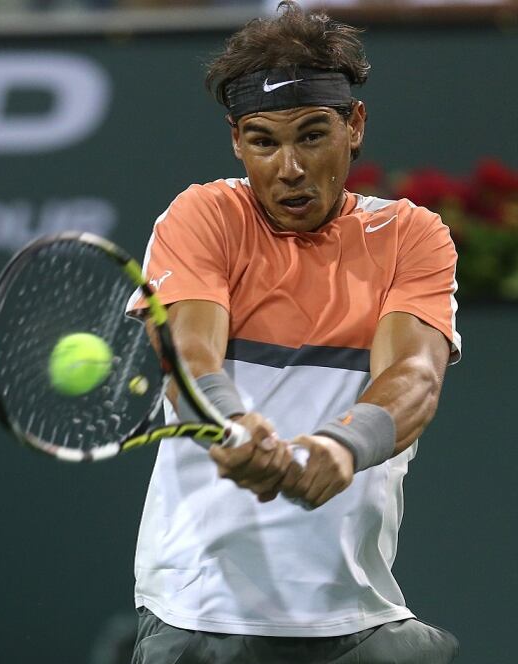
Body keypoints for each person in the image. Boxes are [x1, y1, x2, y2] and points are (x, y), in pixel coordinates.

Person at [125, 3, 461, 662]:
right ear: (235, 140)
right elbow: (189, 356)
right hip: (199, 615)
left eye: (311, 136)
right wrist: (228, 423)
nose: (289, 168)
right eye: (263, 142)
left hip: (358, 619)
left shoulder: (410, 235)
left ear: (353, 125)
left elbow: (414, 377)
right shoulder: (203, 216)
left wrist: (340, 447)